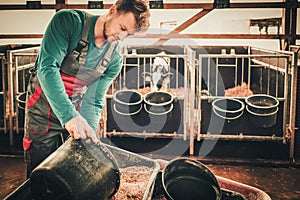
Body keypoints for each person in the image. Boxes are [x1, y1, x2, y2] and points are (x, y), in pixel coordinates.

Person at [22, 0, 150, 178]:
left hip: (77, 115)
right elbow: (47, 68)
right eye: (121, 27)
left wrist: (89, 136)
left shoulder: (114, 60)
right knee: (39, 174)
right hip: (43, 112)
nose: (121, 37)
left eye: (127, 35)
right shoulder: (69, 22)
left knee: (69, 174)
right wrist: (69, 116)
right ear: (113, 10)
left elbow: (93, 99)